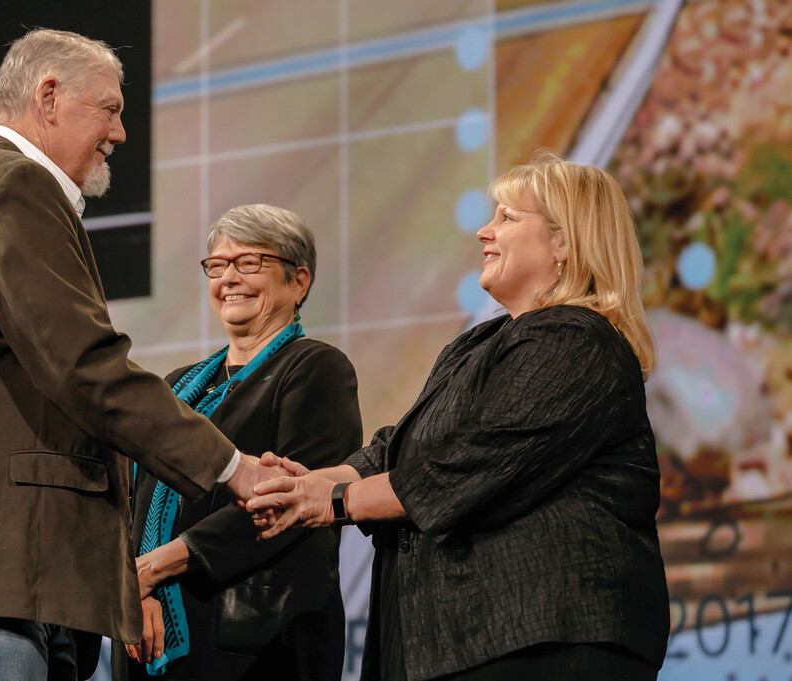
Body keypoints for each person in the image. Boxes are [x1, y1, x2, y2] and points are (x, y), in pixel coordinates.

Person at [0, 28, 276, 681]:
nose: (120, 133)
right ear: (48, 97)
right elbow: (86, 366)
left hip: (7, 575)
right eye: (111, 109)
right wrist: (233, 466)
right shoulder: (15, 187)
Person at [247, 152, 670, 680]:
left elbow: (469, 462)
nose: (483, 232)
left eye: (507, 218)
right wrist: (311, 482)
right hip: (463, 642)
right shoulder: (481, 343)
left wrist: (333, 501)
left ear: (564, 241)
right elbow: (398, 446)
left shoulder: (575, 338)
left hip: (539, 641)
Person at [111, 205, 362, 681]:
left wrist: (160, 565)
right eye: (218, 265)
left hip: (257, 644)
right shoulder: (175, 386)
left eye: (249, 263)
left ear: (299, 281)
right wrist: (134, 586)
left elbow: (292, 504)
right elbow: (127, 503)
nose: (229, 278)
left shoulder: (315, 369)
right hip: (147, 636)